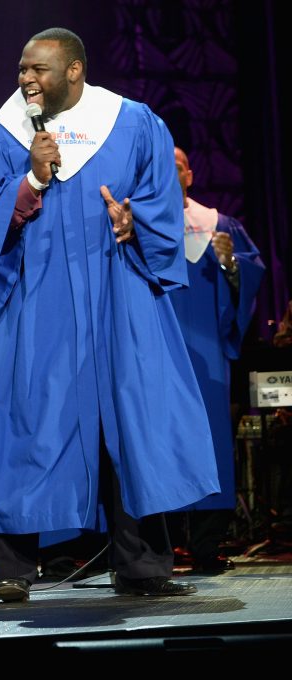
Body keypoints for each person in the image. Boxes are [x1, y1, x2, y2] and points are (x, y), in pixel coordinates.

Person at [0, 28, 218, 602]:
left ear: (74, 71)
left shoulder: (133, 121)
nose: (25, 80)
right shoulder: (3, 132)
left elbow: (162, 197)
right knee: (21, 419)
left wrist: (135, 221)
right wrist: (30, 180)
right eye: (20, 69)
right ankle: (13, 567)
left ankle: (143, 566)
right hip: (30, 298)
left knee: (130, 422)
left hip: (116, 290)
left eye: (38, 69)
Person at [169, 146, 265, 573]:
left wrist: (229, 264)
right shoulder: (136, 226)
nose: (170, 175)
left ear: (189, 174)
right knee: (161, 444)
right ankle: (159, 550)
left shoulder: (219, 225)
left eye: (177, 168)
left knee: (211, 445)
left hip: (206, 354)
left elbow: (249, 275)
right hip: (158, 354)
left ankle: (207, 547)